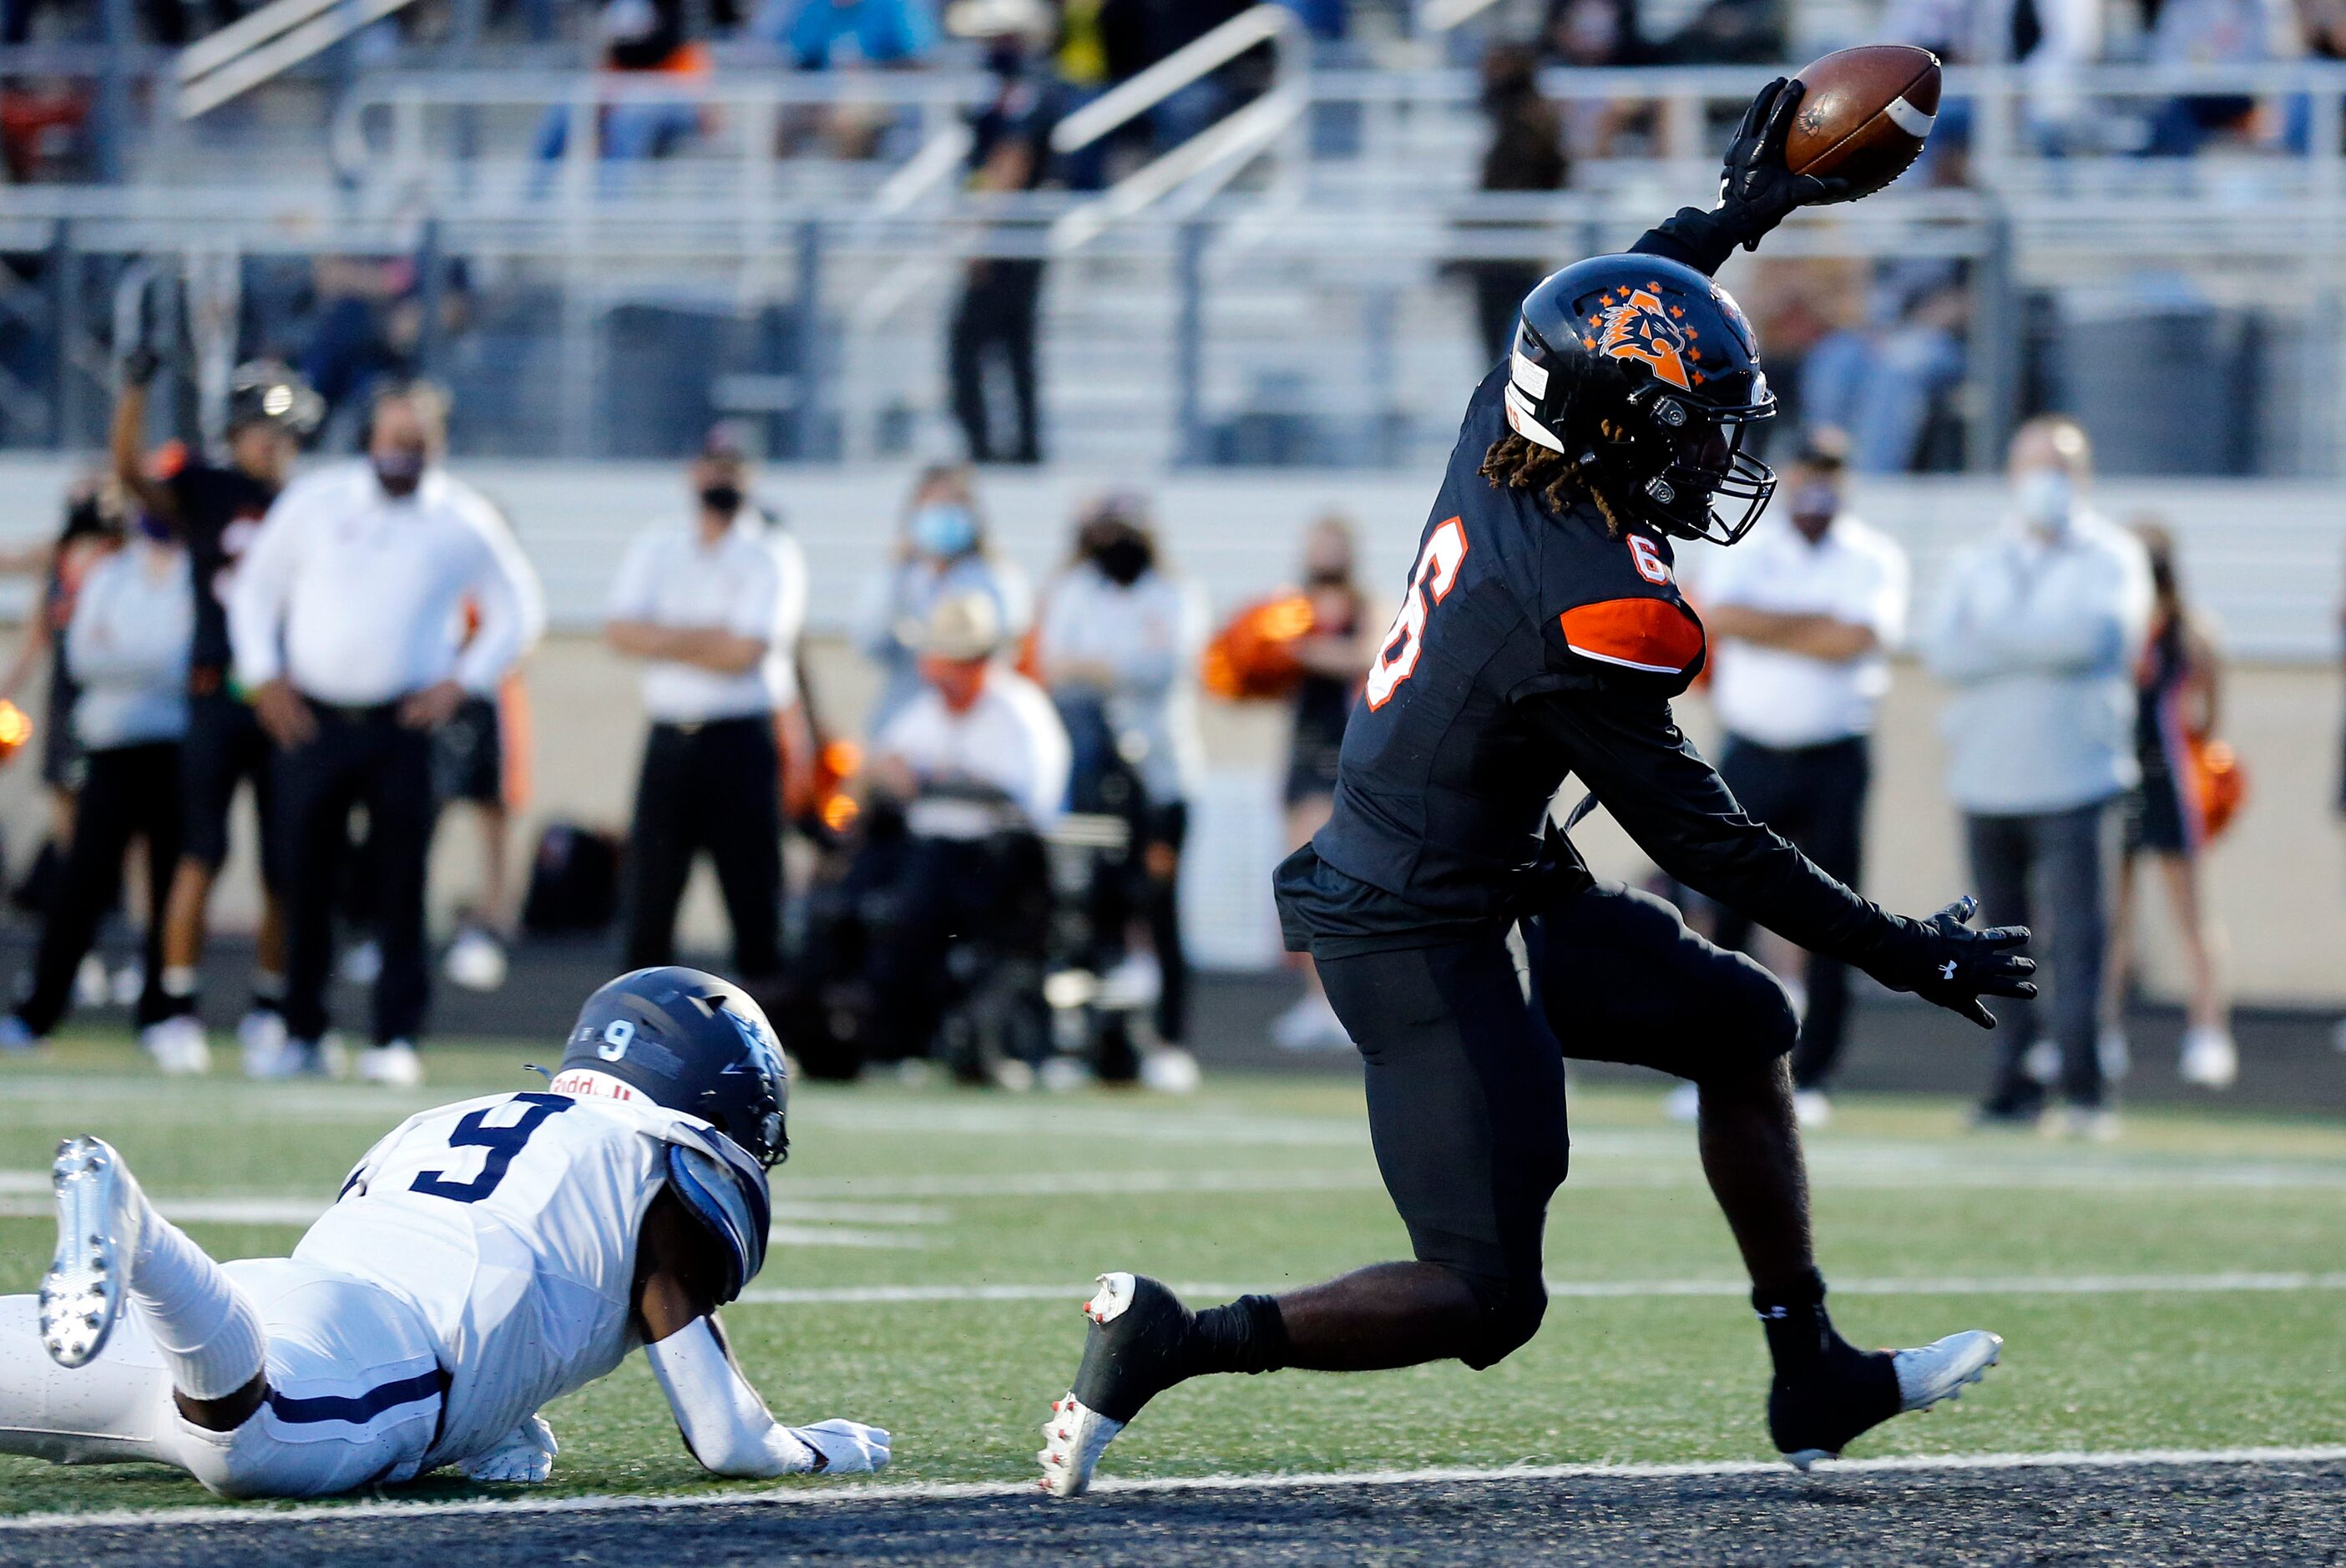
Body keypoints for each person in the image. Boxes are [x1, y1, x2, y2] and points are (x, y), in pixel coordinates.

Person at [1036, 79, 2035, 1499]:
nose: (1712, 453)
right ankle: (1171, 1337)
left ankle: (1807, 1360)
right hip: (1413, 915)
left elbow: (1631, 298)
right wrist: (1904, 949)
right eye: (1688, 432)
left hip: (1485, 866)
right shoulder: (1583, 599)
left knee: (1745, 1021)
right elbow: (1714, 842)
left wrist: (1757, 200)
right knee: (1485, 1290)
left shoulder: (1510, 434)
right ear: (1615, 430)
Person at [3, 966, 889, 1498]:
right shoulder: (661, 1160)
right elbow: (726, 1439)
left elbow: (478, 1247)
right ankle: (141, 1233)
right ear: (708, 1085)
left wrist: (499, 1419)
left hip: (278, 1299)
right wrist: (811, 1451)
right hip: (367, 1358)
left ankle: (154, 1260)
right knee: (246, 1447)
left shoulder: (458, 1113)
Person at [229, 382, 546, 1090]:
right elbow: (254, 591)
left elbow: (518, 609)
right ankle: (302, 1029)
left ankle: (395, 1033)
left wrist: (462, 682)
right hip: (313, 719)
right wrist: (262, 676)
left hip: (403, 727)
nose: (403, 454)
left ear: (437, 446)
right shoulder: (317, 503)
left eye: (418, 442)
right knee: (304, 877)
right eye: (393, 438)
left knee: (402, 882)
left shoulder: (461, 519)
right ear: (371, 437)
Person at [1922, 416, 2151, 1136]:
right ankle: (2015, 1084)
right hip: (1987, 777)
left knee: (2080, 940)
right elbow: (1942, 652)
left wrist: (1997, 639)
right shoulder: (1978, 558)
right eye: (2031, 465)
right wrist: (2037, 644)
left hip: (2079, 778)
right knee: (2001, 945)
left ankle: (2087, 1088)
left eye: (2057, 466)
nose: (2043, 481)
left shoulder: (2114, 556)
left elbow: (2100, 639)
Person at [1681, 427, 1909, 1129]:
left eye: (1832, 470)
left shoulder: (1875, 554)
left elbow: (1859, 638)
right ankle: (1717, 1066)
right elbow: (1719, 617)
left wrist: (1773, 626)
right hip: (1754, 749)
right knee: (1725, 913)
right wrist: (1814, 625)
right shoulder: (1745, 544)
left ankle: (1814, 1076)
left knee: (1834, 915)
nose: (1818, 481)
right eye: (1809, 466)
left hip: (1836, 754)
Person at [108, 352, 324, 1078]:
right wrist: (135, 390)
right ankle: (174, 1006)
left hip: (286, 702)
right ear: (232, 433)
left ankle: (270, 1006)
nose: (271, 444)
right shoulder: (206, 489)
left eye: (282, 433)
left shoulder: (309, 504)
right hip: (214, 692)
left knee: (286, 864)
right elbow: (131, 476)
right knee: (200, 853)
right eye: (260, 431)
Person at [605, 435, 802, 986]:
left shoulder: (770, 551)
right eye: (713, 466)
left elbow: (745, 652)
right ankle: (638, 1028)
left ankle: (767, 1028)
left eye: (733, 468)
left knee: (753, 891)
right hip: (670, 740)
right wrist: (706, 638)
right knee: (651, 892)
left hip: (739, 741)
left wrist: (663, 637)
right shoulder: (658, 546)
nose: (721, 479)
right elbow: (620, 631)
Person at [0, 507, 192, 1058]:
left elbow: (180, 658)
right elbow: (85, 656)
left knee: (167, 886)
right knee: (80, 881)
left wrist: (129, 657)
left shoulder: (188, 573)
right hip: (111, 750)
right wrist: (149, 661)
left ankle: (161, 1014)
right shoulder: (109, 573)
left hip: (176, 749)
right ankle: (38, 1012)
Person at [853, 591, 1070, 1067]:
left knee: (922, 895)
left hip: (992, 863)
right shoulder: (928, 711)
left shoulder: (1019, 712)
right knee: (862, 880)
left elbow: (1026, 800)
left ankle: (903, 1036)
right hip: (923, 854)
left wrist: (937, 783)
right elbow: (880, 767)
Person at [1034, 495, 1205, 1055]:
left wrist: (1100, 668)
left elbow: (1161, 668)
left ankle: (1171, 1039)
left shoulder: (1173, 594)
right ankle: (1094, 1044)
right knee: (1094, 908)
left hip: (1160, 780)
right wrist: (1110, 669)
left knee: (1158, 905)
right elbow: (1057, 666)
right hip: (1095, 786)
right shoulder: (1077, 591)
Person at [2105, 521, 2236, 1090]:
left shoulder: (2190, 632)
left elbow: (2209, 711)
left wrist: (2196, 756)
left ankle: (2208, 1030)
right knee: (2111, 914)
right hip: (2114, 774)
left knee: (2191, 912)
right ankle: (2101, 1030)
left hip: (2168, 780)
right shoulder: (2116, 625)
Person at [1269, 514, 1381, 1053]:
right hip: (1305, 752)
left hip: (1352, 753)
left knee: (1353, 884)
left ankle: (1356, 998)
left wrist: (1308, 652)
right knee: (1305, 881)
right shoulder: (1289, 608)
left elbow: (1370, 654)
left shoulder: (1365, 605)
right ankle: (1318, 1000)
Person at [948, 0, 1061, 466]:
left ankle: (998, 450)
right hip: (1011, 234)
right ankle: (1014, 448)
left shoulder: (1027, 90)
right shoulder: (999, 90)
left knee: (974, 343)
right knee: (1012, 345)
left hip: (1012, 238)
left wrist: (979, 232)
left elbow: (1011, 161)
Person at [853, 465, 1031, 735]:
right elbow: (868, 642)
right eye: (933, 504)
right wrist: (893, 572)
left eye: (951, 503)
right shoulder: (900, 575)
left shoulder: (996, 577)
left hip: (976, 720)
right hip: (905, 714)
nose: (941, 512)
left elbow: (1006, 645)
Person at [1464, 41, 1569, 364]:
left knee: (1512, 348)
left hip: (1515, 251)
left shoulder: (1529, 122)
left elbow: (1546, 175)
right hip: (1498, 252)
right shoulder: (1508, 120)